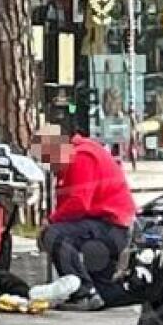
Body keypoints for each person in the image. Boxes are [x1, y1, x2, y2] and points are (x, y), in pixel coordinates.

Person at [32, 124, 136, 311]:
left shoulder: (81, 157)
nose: (49, 166)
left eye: (47, 159)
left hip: (109, 225)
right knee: (106, 291)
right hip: (110, 227)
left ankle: (82, 291)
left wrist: (50, 222)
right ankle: (109, 293)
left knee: (54, 235)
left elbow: (79, 202)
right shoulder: (80, 153)